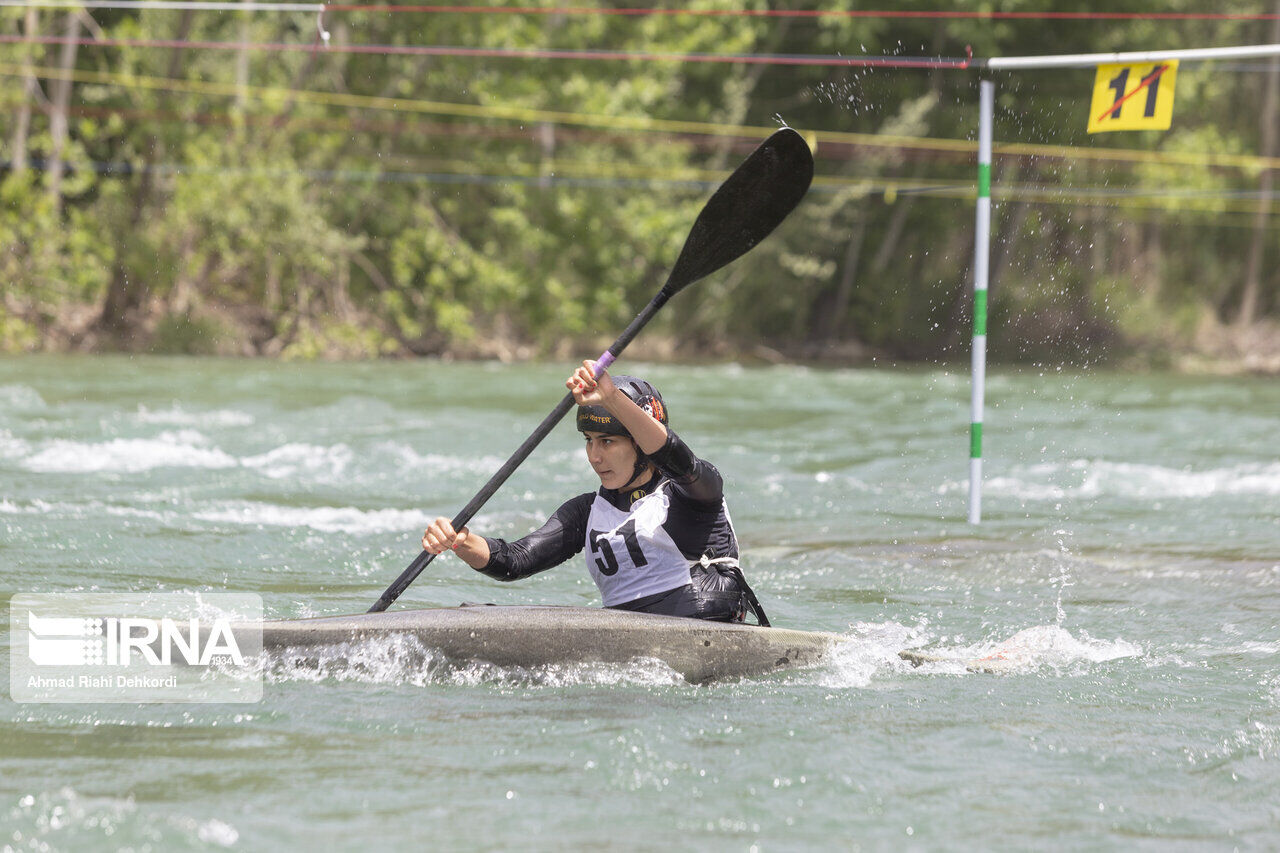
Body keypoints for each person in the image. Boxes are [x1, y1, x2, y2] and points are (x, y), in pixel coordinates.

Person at [421, 360, 769, 625]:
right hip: (631, 648)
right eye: (588, 441)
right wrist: (459, 541)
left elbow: (678, 458)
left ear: (641, 444)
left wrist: (612, 399)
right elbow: (515, 561)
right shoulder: (587, 512)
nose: (595, 456)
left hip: (706, 632)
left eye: (607, 441)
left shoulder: (693, 495)